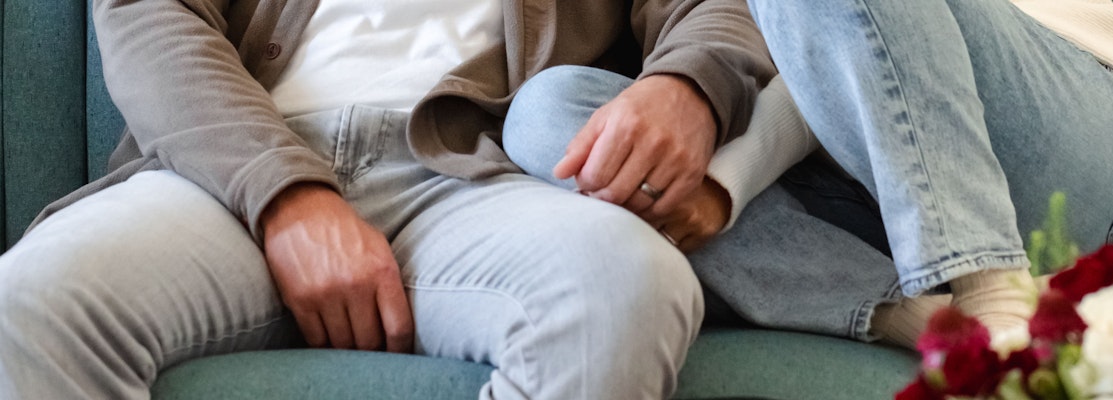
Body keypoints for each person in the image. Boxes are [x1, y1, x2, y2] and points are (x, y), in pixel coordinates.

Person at [0, 0, 776, 399]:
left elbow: (717, 7)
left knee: (624, 287)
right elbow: (147, 17)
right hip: (229, 168)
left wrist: (689, 85)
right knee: (28, 305)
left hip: (473, 179)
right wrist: (286, 196)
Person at [506, 0, 1113, 348]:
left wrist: (729, 178)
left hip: (1060, 139)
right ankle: (912, 315)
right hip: (862, 201)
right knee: (544, 114)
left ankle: (995, 303)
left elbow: (869, 51)